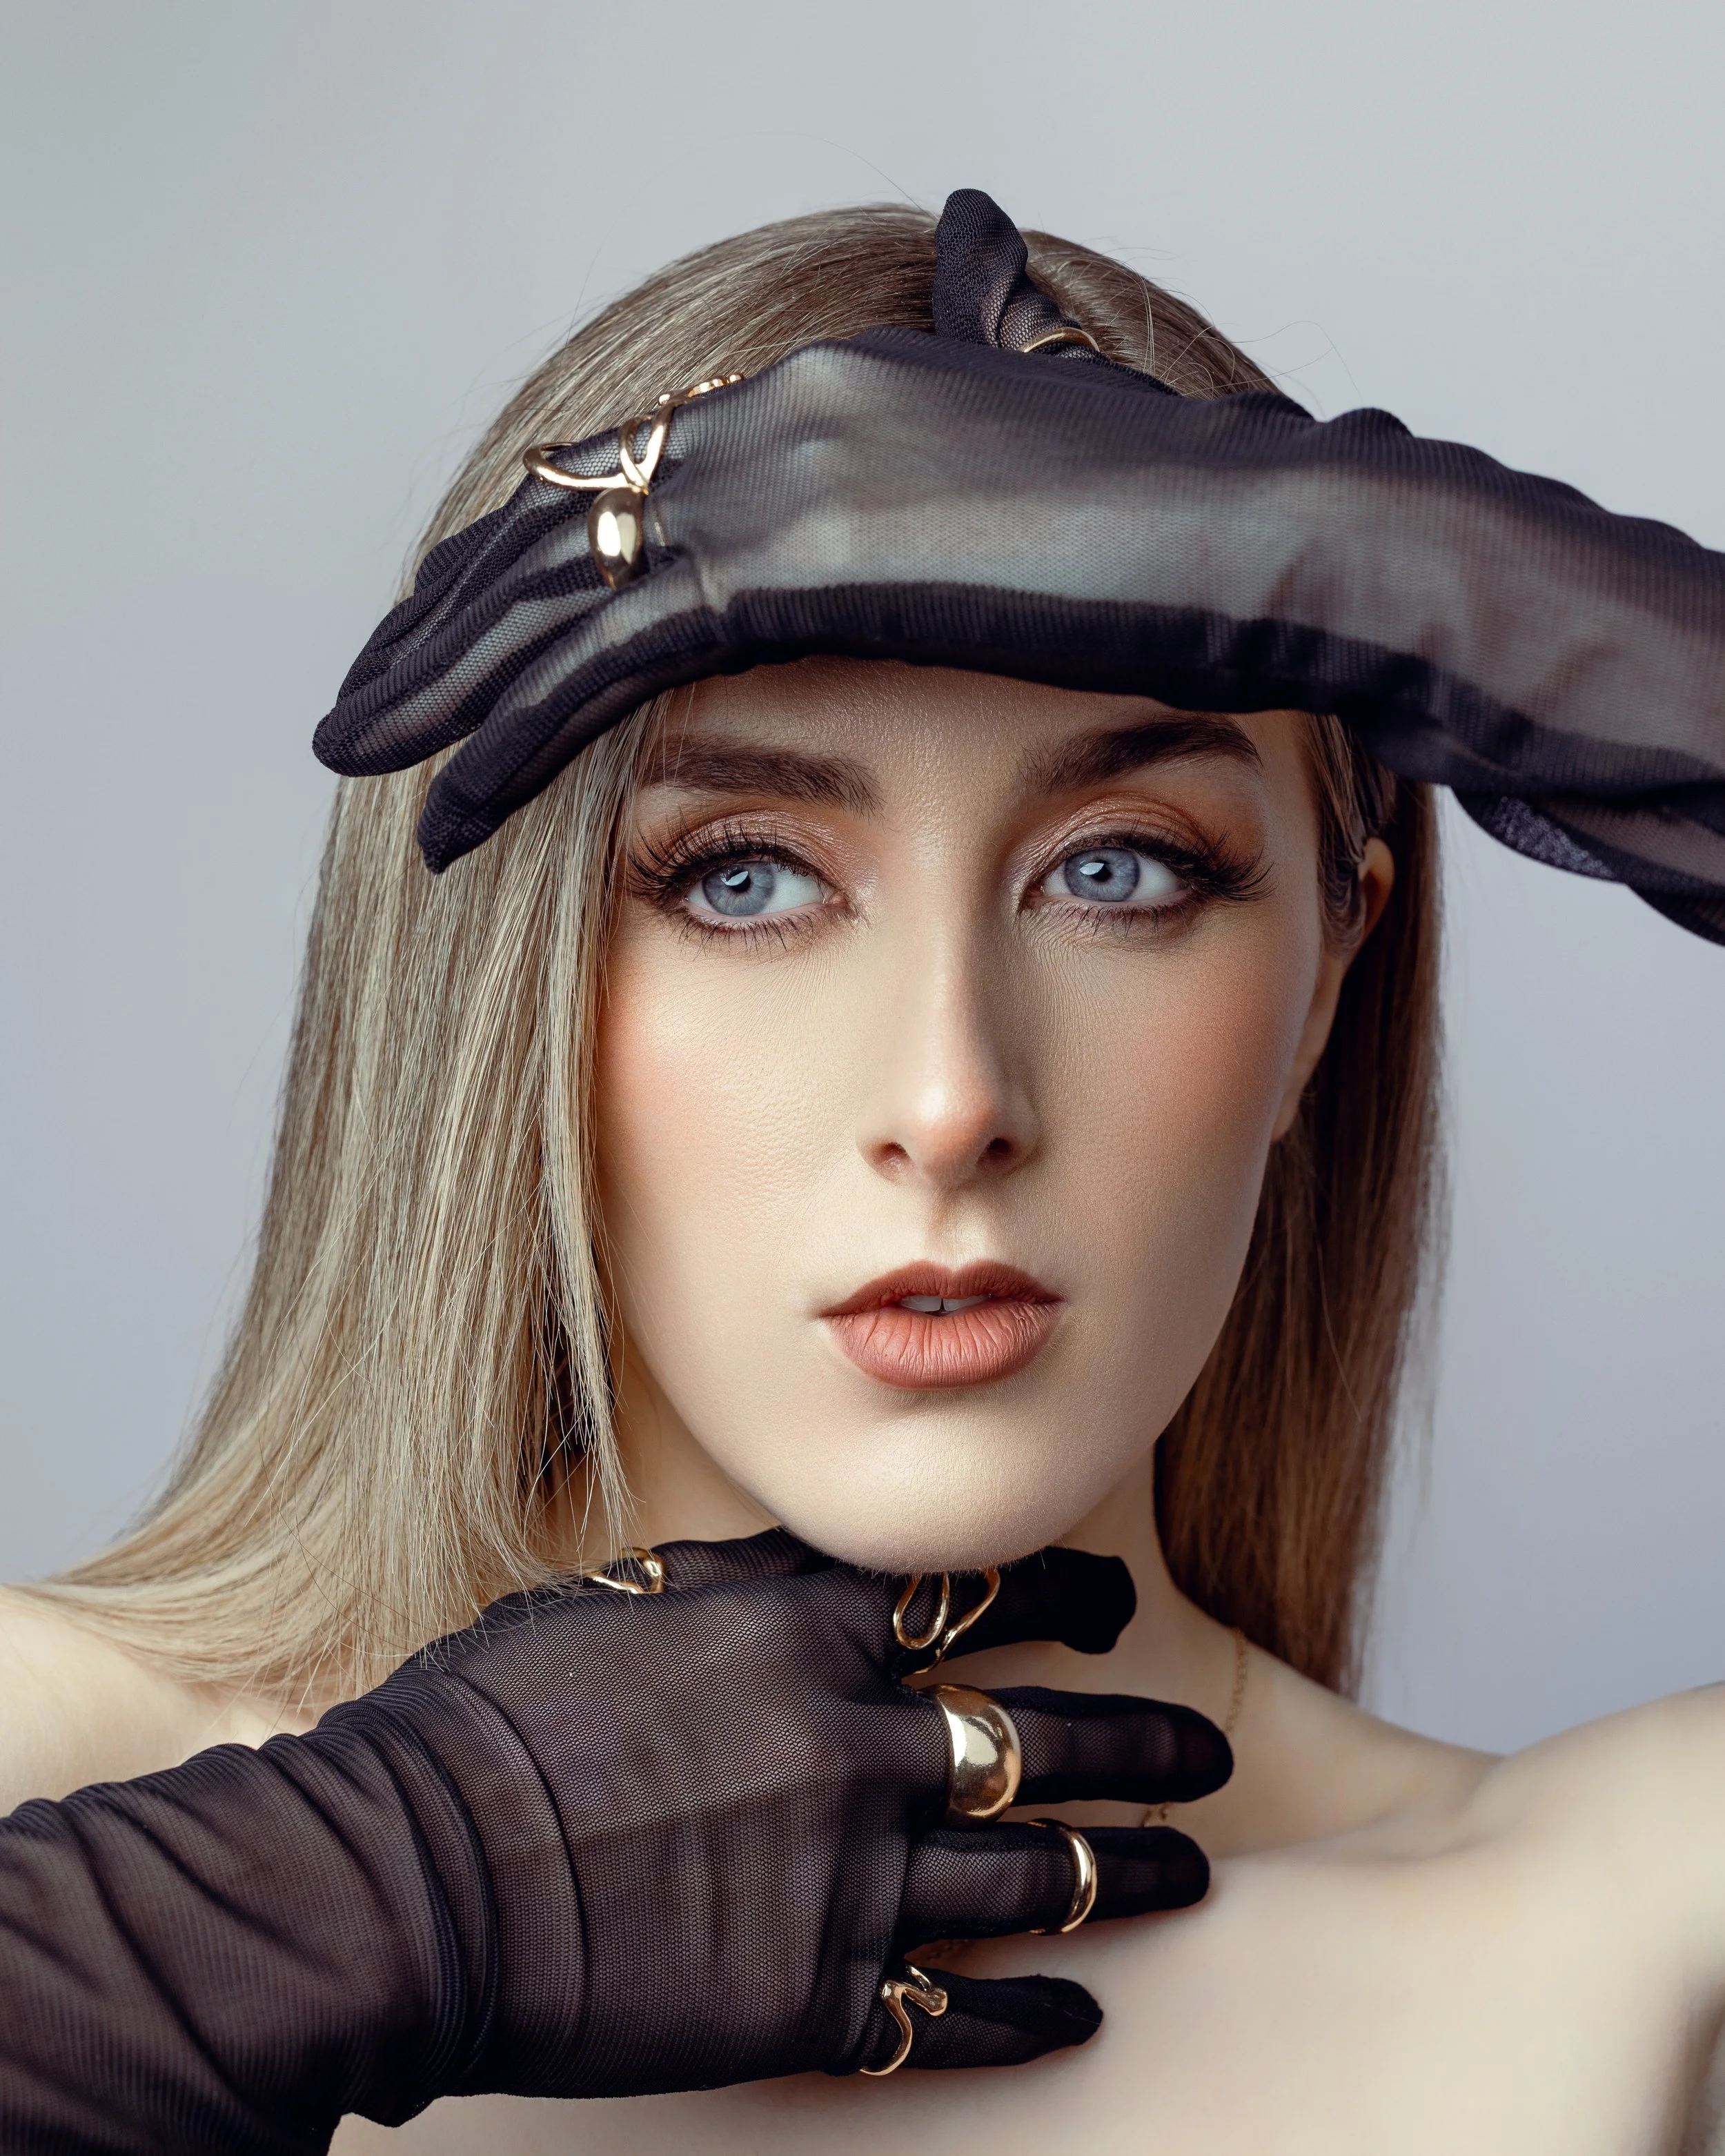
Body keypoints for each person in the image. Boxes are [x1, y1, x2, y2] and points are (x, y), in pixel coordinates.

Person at [3, 191, 1722, 2155]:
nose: (948, 1093)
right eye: (741, 875)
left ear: (1327, 970)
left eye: (1120, 868)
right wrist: (371, 1892)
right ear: (509, 990)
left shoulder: (1633, 1938)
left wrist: (1434, 576)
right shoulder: (54, 1777)